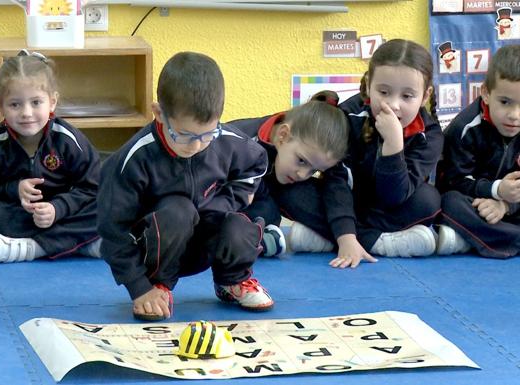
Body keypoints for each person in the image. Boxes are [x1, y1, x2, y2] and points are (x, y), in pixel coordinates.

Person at [98, 52, 273, 321]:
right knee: (177, 211)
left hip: (206, 241)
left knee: (238, 224)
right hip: (159, 249)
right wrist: (139, 288)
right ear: (158, 114)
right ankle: (160, 287)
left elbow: (256, 166)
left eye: (207, 135)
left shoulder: (229, 142)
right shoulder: (132, 159)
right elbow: (113, 232)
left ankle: (232, 281)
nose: (196, 146)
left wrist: (222, 204)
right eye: (184, 135)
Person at [293, 39, 443, 268]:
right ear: (368, 85)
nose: (393, 105)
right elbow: (336, 181)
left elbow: (394, 197)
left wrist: (393, 145)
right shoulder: (347, 116)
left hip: (387, 208)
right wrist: (346, 236)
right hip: (344, 202)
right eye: (383, 92)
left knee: (429, 201)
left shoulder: (429, 135)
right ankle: (371, 241)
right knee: (291, 188)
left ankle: (326, 237)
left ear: (424, 96)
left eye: (407, 96)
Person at [0, 50, 101, 263]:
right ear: (0, 105)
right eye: (15, 104)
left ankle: (32, 248)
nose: (26, 113)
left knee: (106, 207)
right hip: (22, 215)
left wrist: (57, 208)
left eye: (36, 102)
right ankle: (80, 243)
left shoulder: (68, 140)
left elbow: (92, 187)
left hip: (66, 212)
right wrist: (14, 189)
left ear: (52, 102)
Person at [226, 91, 351, 258]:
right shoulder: (238, 144)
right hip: (218, 193)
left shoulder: (299, 155)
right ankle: (248, 239)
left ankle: (368, 237)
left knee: (288, 201)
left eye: (314, 171)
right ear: (283, 136)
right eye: (301, 161)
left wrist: (348, 238)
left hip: (266, 193)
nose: (303, 174)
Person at [437, 44, 520, 258]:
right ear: (485, 93)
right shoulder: (464, 128)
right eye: (505, 102)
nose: (514, 115)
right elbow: (453, 182)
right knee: (449, 202)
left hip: (509, 207)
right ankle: (508, 239)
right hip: (474, 204)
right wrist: (496, 190)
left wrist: (505, 205)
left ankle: (472, 239)